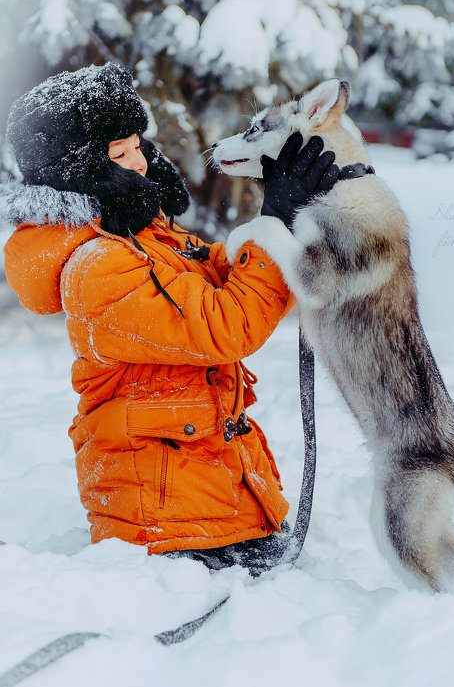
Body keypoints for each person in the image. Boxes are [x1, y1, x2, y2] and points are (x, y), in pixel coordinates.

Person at [2, 63, 338, 575]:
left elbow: (225, 276)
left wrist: (286, 214)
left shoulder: (147, 236)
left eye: (137, 144)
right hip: (163, 528)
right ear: (80, 169)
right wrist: (273, 224)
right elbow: (225, 325)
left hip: (218, 506)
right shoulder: (99, 268)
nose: (137, 162)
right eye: (118, 154)